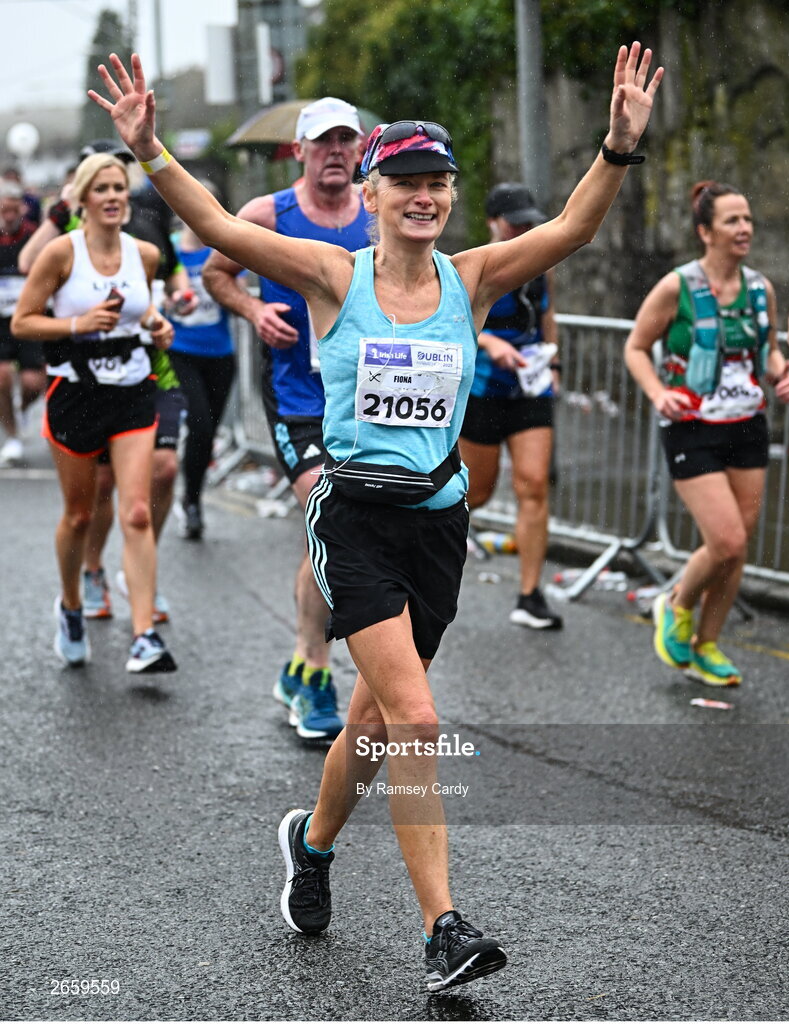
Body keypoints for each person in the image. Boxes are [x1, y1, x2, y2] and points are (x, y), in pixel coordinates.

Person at [90, 43, 662, 989]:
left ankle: (310, 847)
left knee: (373, 719)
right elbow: (223, 230)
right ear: (371, 190)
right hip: (351, 516)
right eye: (404, 183)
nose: (424, 198)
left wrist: (616, 147)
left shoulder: (471, 277)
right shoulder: (332, 276)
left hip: (438, 523)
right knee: (419, 716)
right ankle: (443, 929)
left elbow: (568, 230)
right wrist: (150, 152)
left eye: (437, 183)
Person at [203, 97, 370, 741]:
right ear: (298, 151)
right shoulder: (268, 215)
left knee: (328, 536)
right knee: (331, 517)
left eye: (345, 142)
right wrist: (252, 310)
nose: (335, 153)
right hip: (296, 396)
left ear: (359, 150)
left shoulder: (378, 216)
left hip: (362, 402)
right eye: (322, 143)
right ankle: (319, 680)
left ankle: (300, 667)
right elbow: (219, 273)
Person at [12, 152, 177, 674]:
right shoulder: (61, 254)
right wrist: (77, 324)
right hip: (76, 394)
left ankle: (144, 635)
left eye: (118, 188)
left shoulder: (145, 254)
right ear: (82, 200)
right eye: (101, 189)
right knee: (80, 515)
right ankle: (71, 605)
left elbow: (141, 308)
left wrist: (157, 325)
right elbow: (22, 323)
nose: (112, 196)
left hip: (132, 391)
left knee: (136, 511)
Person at [625, 181, 789, 686]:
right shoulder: (679, 287)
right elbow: (635, 347)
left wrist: (783, 372)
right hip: (691, 426)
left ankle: (707, 644)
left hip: (747, 425)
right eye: (731, 221)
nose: (744, 229)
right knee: (725, 539)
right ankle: (674, 602)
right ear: (705, 231)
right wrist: (658, 393)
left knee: (737, 547)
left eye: (747, 220)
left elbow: (768, 353)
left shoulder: (761, 288)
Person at [459, 183, 563, 630]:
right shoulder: (472, 266)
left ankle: (529, 595)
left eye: (527, 220)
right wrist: (491, 344)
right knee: (475, 493)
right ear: (492, 222)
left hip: (530, 387)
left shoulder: (541, 263)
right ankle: (422, 556)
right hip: (484, 388)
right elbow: (454, 322)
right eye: (514, 220)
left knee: (534, 485)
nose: (523, 227)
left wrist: (553, 358)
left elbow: (547, 314)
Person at [167, 203, 236, 538]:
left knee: (207, 434)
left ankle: (191, 496)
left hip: (221, 355)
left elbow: (236, 290)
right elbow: (158, 294)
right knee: (199, 423)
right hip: (182, 352)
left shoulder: (221, 251)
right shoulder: (170, 249)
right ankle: (191, 503)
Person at [0, 180, 44, 465]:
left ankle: (23, 408)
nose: (7, 216)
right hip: (1, 322)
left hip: (28, 317)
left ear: (22, 209)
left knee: (32, 382)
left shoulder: (34, 237)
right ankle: (13, 436)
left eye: (12, 210)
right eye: (2, 210)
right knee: (2, 377)